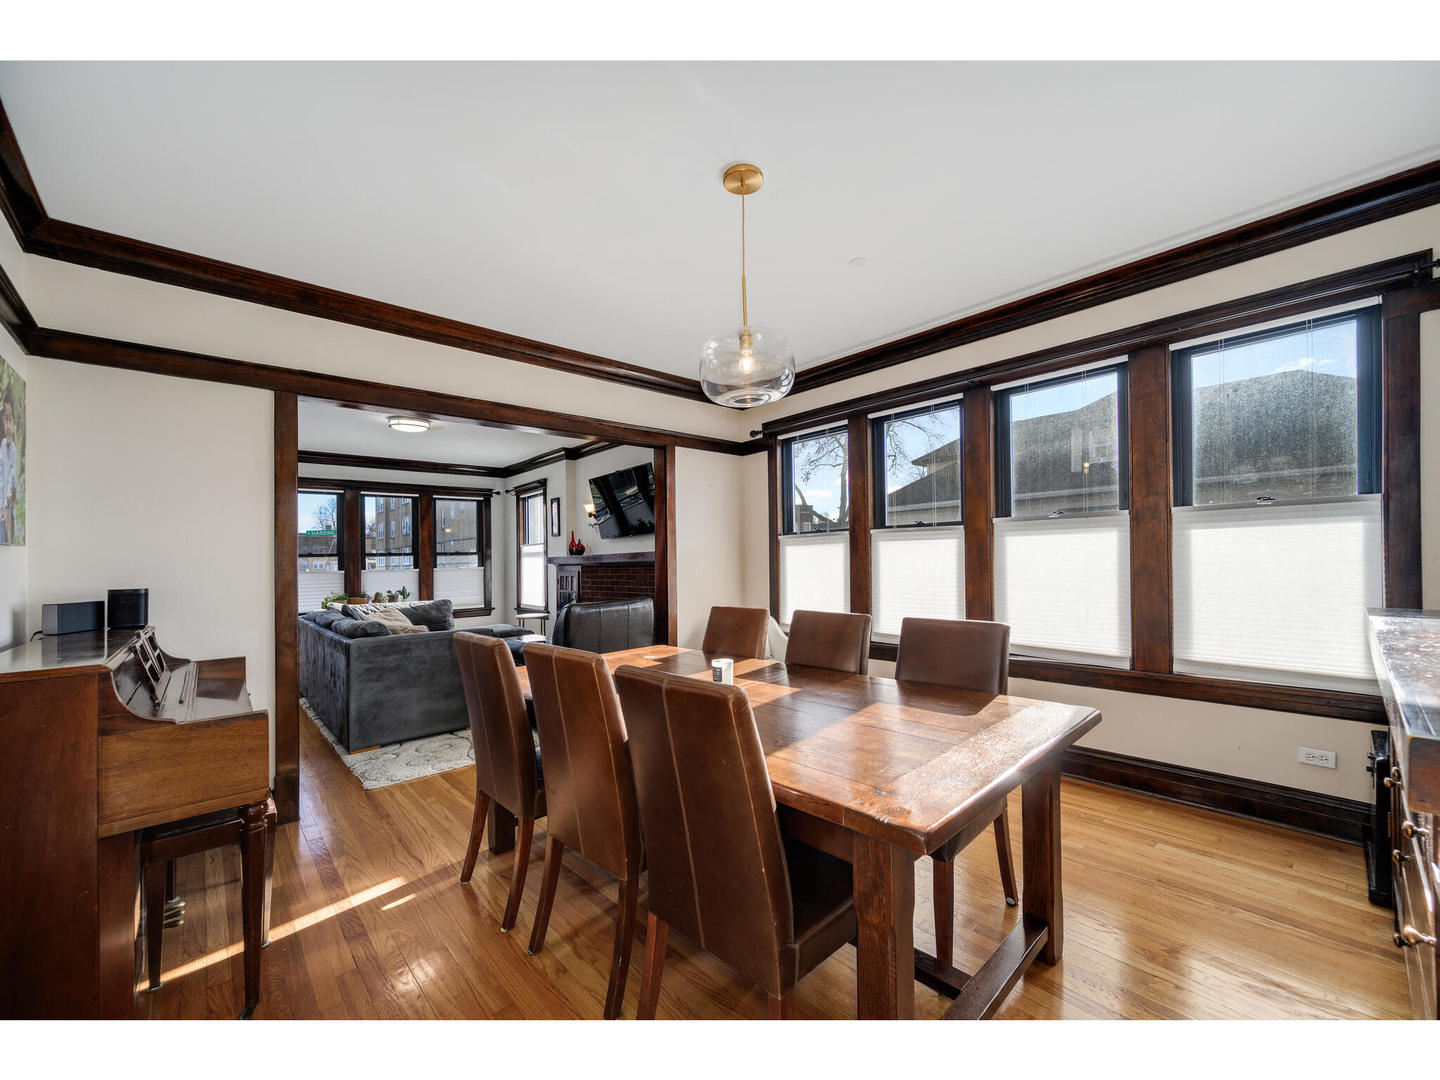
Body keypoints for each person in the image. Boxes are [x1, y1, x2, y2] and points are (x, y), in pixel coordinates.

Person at [0, 384, 19, 544]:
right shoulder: (2, 447)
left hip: (8, 513)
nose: (7, 425)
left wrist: (6, 508)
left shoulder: (13, 450)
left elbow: (12, 485)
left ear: (14, 423)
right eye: (5, 419)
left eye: (10, 419)